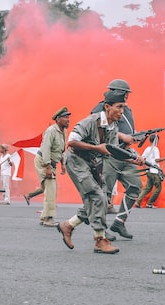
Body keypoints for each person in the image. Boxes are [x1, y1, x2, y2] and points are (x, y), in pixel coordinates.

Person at [57, 90, 134, 254]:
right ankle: (100, 240)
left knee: (102, 199)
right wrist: (96, 148)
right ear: (107, 107)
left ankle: (68, 225)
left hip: (92, 163)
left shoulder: (112, 126)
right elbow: (71, 141)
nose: (122, 111)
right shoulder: (90, 122)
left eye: (124, 107)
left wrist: (135, 159)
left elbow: (112, 151)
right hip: (76, 161)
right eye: (119, 107)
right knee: (96, 196)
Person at [90, 79, 142, 240]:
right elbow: (100, 127)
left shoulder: (127, 110)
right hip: (109, 155)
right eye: (124, 93)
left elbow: (128, 130)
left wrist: (136, 136)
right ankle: (101, 230)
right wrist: (123, 137)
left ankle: (119, 222)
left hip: (126, 154)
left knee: (135, 186)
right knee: (103, 194)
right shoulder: (101, 107)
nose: (126, 96)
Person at [33, 107, 70, 227]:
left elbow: (61, 149)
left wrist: (63, 164)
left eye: (68, 117)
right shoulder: (51, 131)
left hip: (52, 162)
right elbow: (46, 149)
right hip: (44, 161)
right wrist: (48, 167)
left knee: (49, 189)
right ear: (58, 119)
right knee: (51, 190)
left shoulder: (63, 131)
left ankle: (44, 217)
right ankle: (48, 218)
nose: (68, 120)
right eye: (65, 117)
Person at [135, 135, 165, 208]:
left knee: (147, 188)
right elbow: (156, 160)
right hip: (155, 171)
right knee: (158, 188)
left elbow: (142, 158)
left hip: (149, 171)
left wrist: (145, 167)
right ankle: (149, 203)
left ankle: (138, 202)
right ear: (156, 141)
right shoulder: (155, 149)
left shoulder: (147, 149)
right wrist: (164, 158)